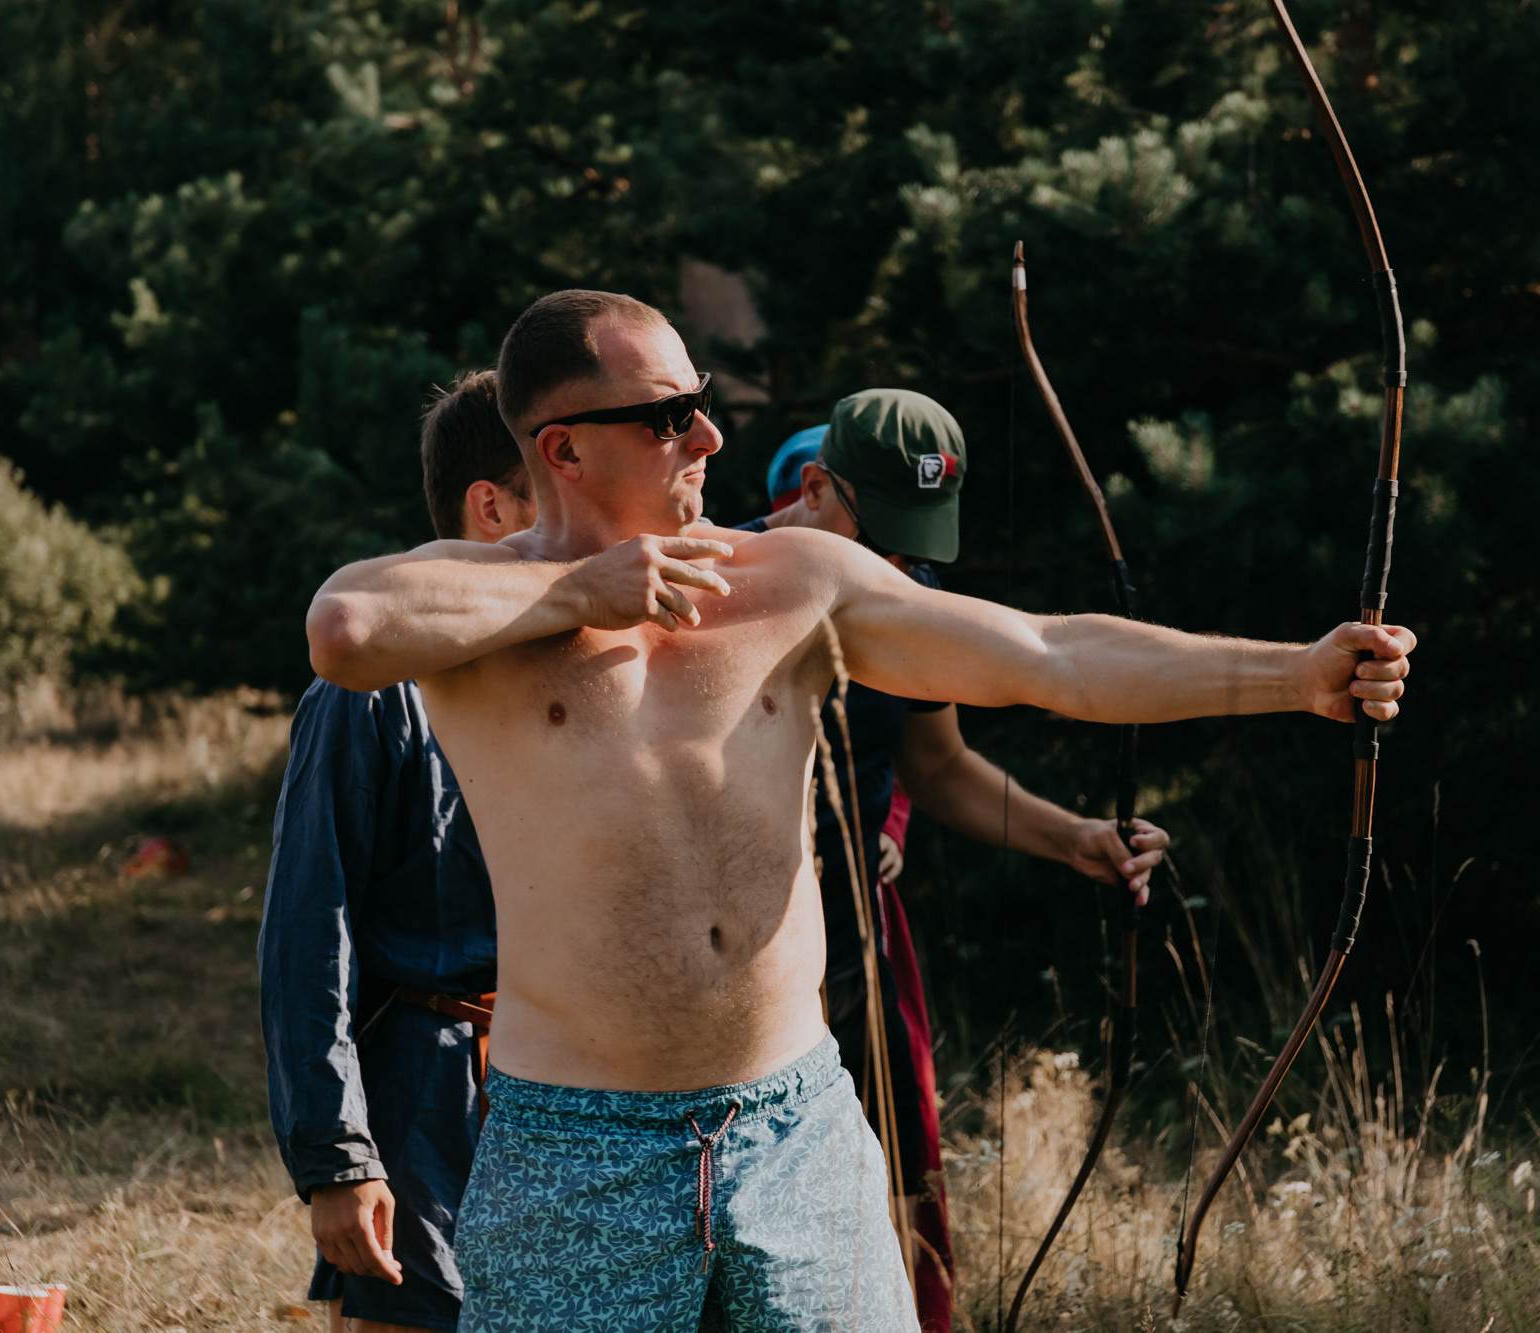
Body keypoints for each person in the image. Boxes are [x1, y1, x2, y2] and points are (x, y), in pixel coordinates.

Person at [304, 288, 1415, 1333]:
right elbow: (345, 630)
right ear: (563, 449)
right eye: (671, 417)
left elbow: (1051, 653)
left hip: (795, 1127)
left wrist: (1295, 675)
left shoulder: (793, 577)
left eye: (702, 405)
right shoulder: (477, 604)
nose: (710, 438)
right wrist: (578, 590)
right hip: (572, 1146)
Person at [739, 401, 1173, 1333]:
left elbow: (940, 766)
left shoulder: (912, 592)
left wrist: (1076, 838)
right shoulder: (721, 580)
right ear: (811, 490)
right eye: (885, 537)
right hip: (733, 986)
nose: (901, 566)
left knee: (893, 1210)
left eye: (918, 543)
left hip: (853, 961)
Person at [261, 370, 534, 1333]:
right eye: (557, 494)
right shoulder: (371, 688)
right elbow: (310, 926)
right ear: (491, 507)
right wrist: (340, 1156)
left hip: (567, 1096)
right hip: (424, 1091)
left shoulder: (588, 672)